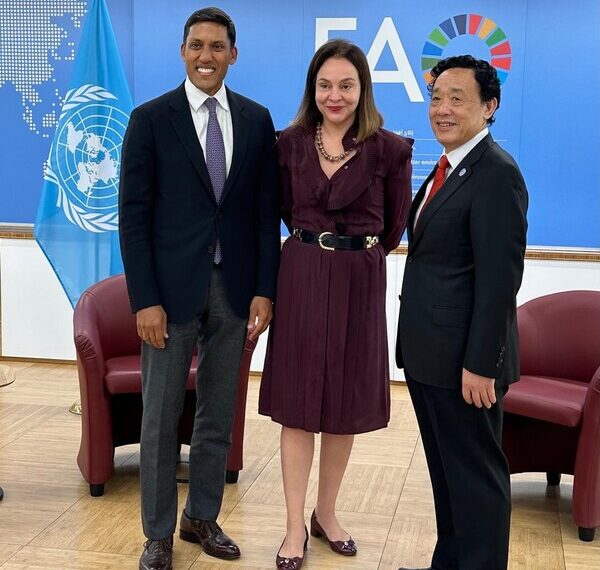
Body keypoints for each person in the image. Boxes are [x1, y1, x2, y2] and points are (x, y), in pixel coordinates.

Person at [118, 7, 280, 570]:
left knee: (218, 412)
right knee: (160, 418)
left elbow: (265, 216)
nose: (206, 56)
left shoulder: (258, 121)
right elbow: (133, 219)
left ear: (233, 54)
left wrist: (265, 289)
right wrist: (145, 300)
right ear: (183, 52)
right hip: (168, 295)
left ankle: (201, 517)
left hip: (234, 292)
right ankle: (158, 532)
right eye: (196, 46)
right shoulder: (150, 120)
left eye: (217, 46)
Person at [259, 39, 413, 569]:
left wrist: (352, 258)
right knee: (299, 408)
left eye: (346, 85)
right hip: (300, 274)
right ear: (312, 89)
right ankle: (293, 525)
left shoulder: (391, 149)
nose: (335, 95)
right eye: (325, 85)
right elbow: (279, 209)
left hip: (358, 282)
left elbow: (394, 227)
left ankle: (328, 512)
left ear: (363, 89)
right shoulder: (288, 144)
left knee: (343, 406)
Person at [395, 55, 528, 570]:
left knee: (477, 481)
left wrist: (481, 364)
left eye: (457, 99)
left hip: (465, 367)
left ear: (489, 106)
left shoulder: (496, 174)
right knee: (449, 477)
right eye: (436, 98)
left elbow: (499, 283)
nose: (442, 109)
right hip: (432, 358)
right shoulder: (449, 166)